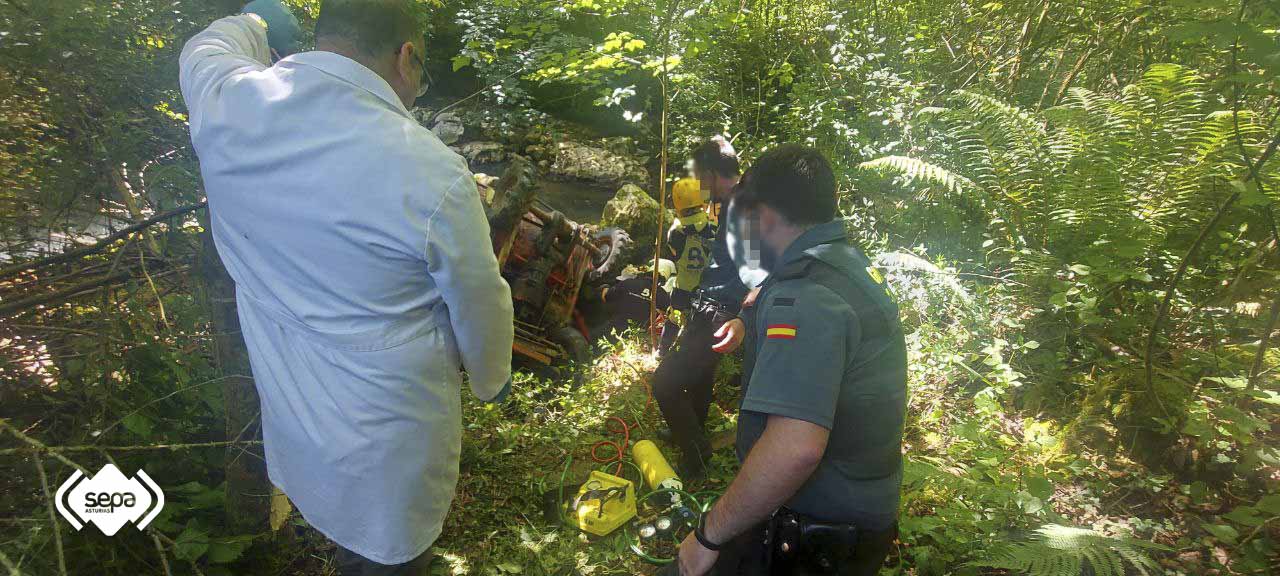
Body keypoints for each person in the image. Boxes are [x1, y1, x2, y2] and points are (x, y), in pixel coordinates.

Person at [179, 1, 514, 574]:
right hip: (387, 435)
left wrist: (256, 26)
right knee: (387, 553)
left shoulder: (229, 104)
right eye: (422, 74)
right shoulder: (431, 172)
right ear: (406, 58)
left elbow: (202, 49)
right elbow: (479, 300)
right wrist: (492, 377)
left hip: (294, 413)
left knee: (339, 527)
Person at [670, 145, 908, 575]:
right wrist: (747, 318)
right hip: (858, 508)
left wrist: (708, 535)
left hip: (819, 529)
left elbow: (795, 449)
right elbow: (772, 288)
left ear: (763, 215)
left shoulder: (805, 297)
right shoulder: (842, 263)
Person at [652, 137, 750, 479]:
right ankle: (692, 430)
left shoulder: (741, 206)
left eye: (700, 176)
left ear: (710, 173)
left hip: (719, 309)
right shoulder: (735, 203)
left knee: (664, 382)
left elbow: (754, 263)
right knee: (701, 376)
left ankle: (695, 454)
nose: (699, 184)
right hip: (715, 305)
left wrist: (739, 309)